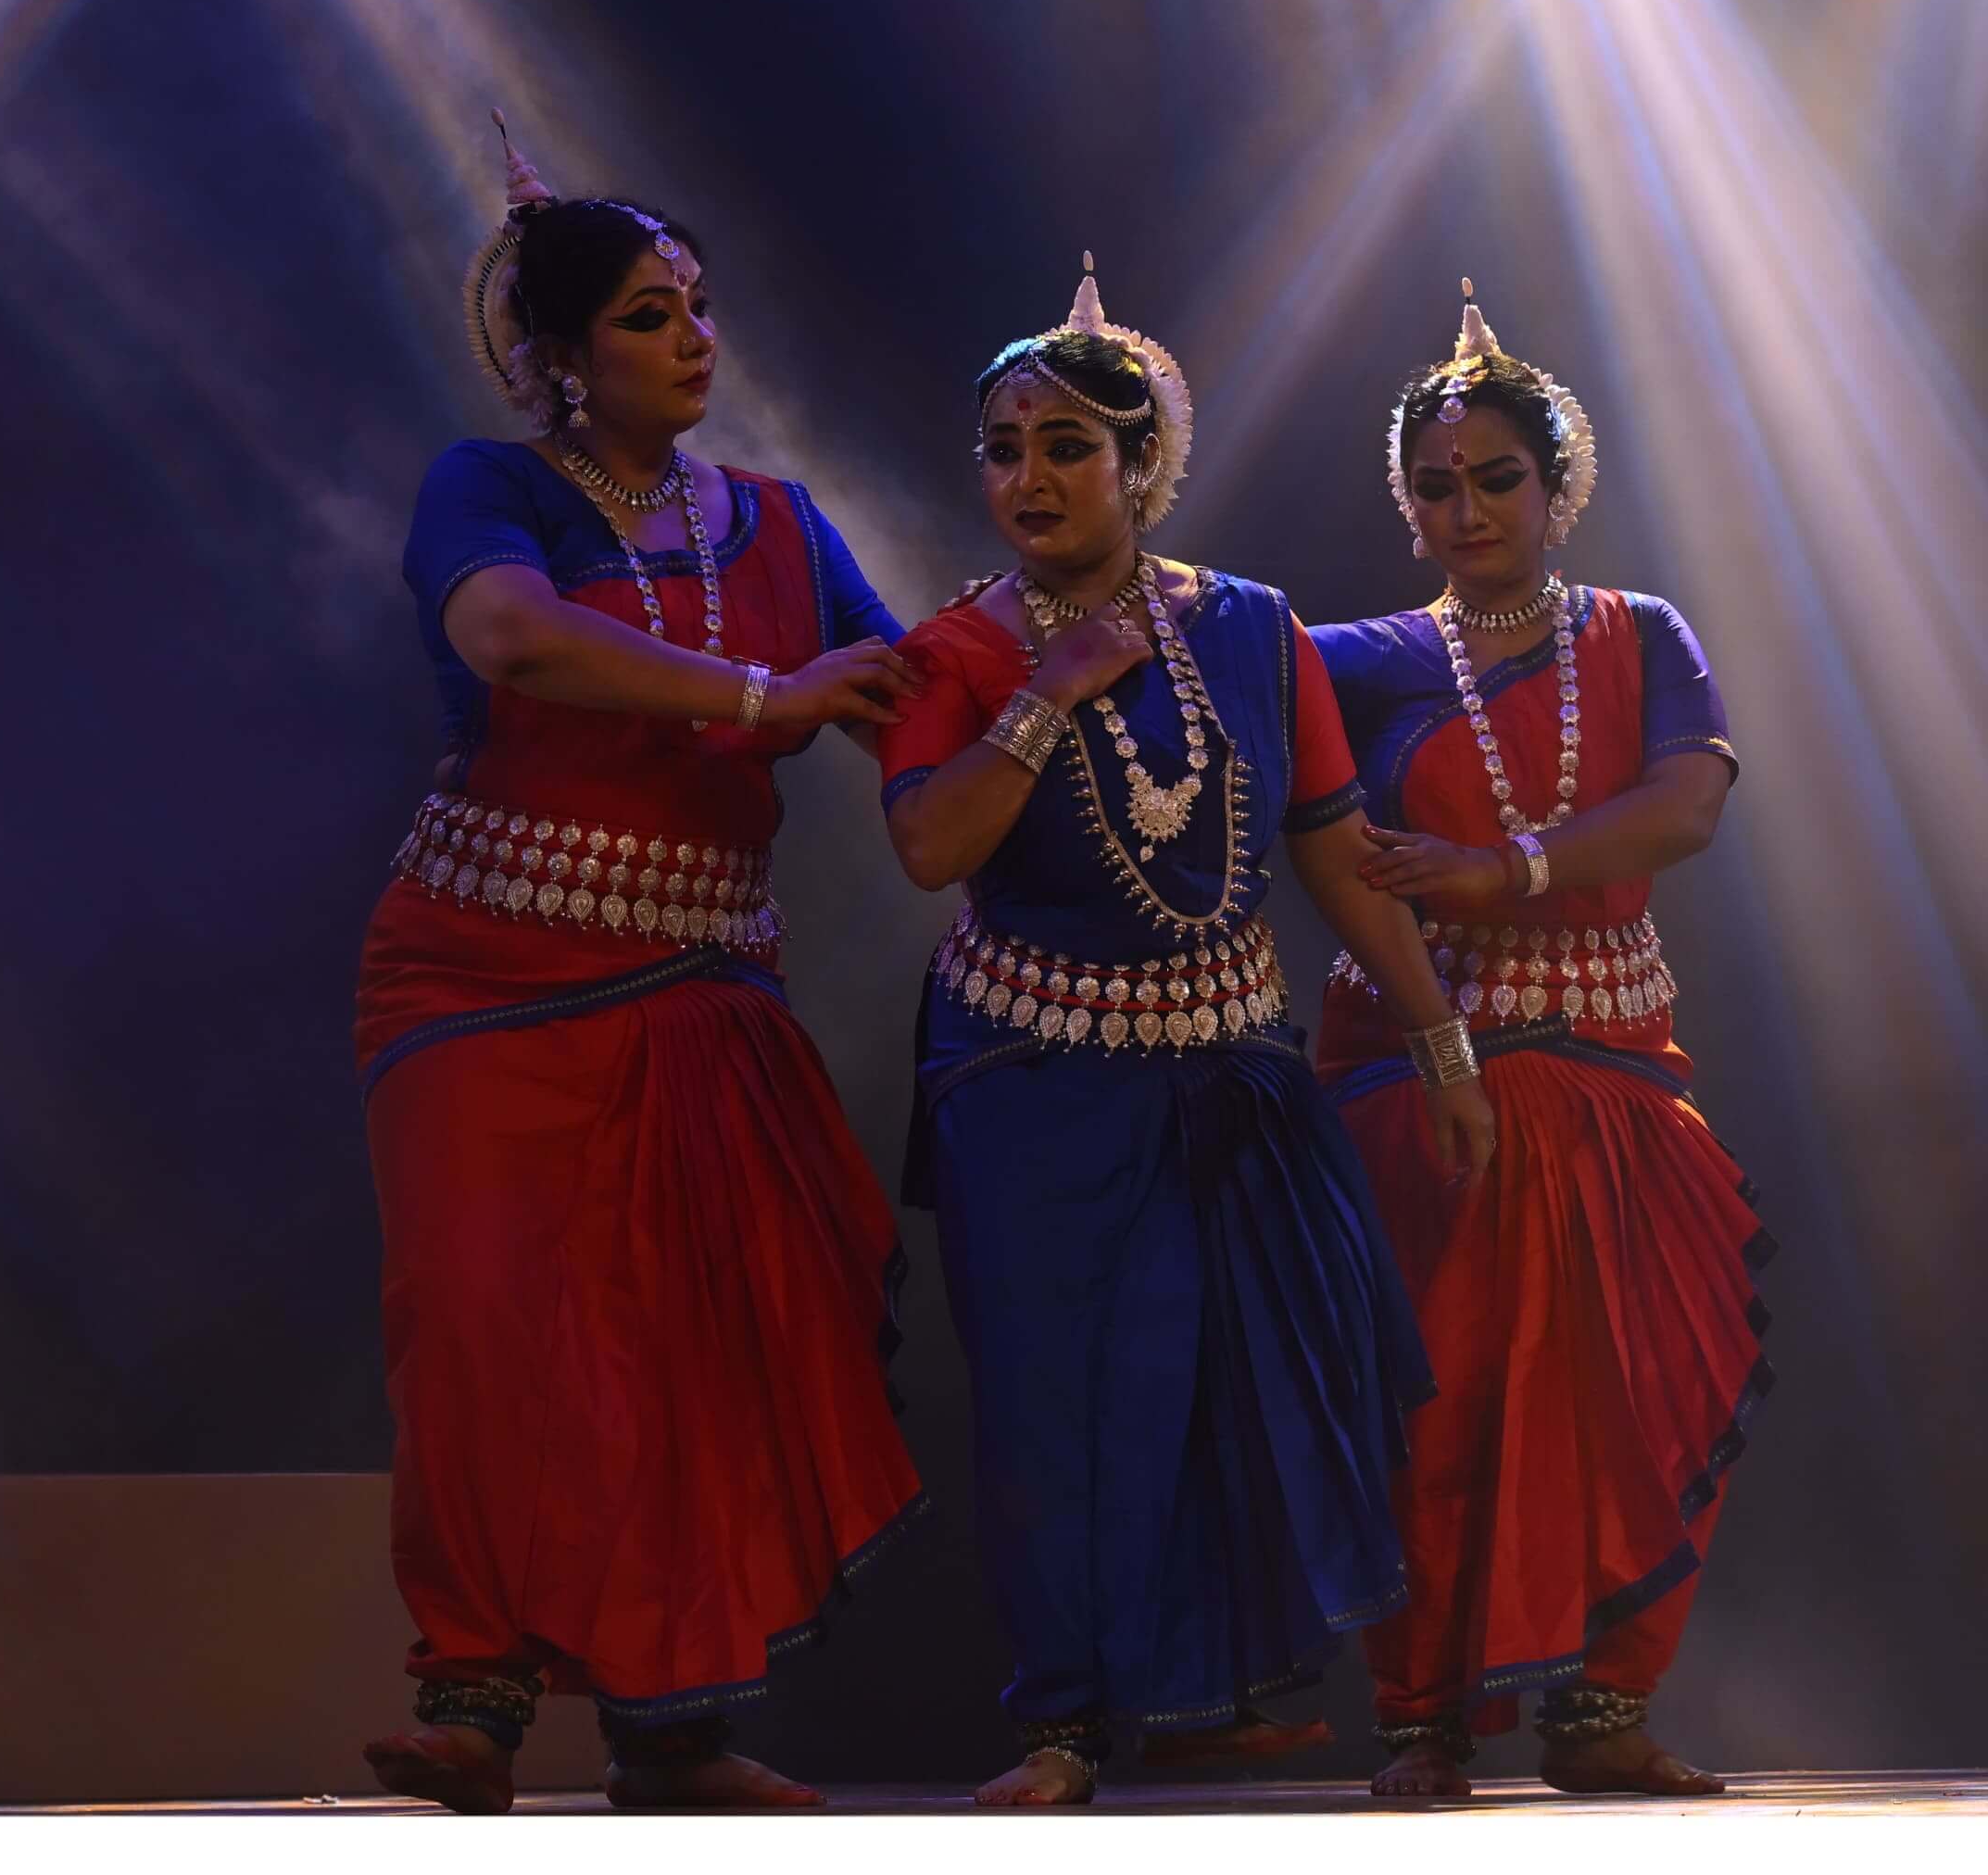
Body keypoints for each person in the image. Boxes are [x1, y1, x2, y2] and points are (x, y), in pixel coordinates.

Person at [351, 120, 925, 1813]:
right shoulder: (494, 490)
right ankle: (473, 1695)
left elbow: (903, 694)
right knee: (481, 1328)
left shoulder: (781, 523)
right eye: (647, 315)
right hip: (479, 971)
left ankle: (672, 1730)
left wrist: (1093, 656)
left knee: (683, 1345)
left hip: (697, 978)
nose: (693, 339)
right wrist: (764, 697)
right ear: (558, 353)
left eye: (697, 307)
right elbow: (509, 636)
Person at [875, 257, 1496, 1806]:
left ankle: (1200, 1695)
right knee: (1054, 1402)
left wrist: (1441, 1044)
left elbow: (1336, 852)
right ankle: (1065, 1722)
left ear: (1141, 461)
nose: (1027, 478)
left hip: (1227, 1066)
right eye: (1003, 449)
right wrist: (1051, 690)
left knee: (1233, 1376)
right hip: (1029, 1075)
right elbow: (931, 845)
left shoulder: (1257, 629)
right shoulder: (959, 650)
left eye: (1066, 446)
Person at [1310, 282, 1766, 1800]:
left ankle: (1601, 1711)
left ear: (1559, 483)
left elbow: (1688, 805)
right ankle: (1424, 1721)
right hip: (1435, 1073)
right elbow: (1218, 683)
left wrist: (1501, 867)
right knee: (1442, 1394)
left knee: (1643, 1388)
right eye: (1434, 485)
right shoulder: (1359, 656)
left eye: (1497, 477)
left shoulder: (1640, 633)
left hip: (1618, 1061)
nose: (1466, 509)